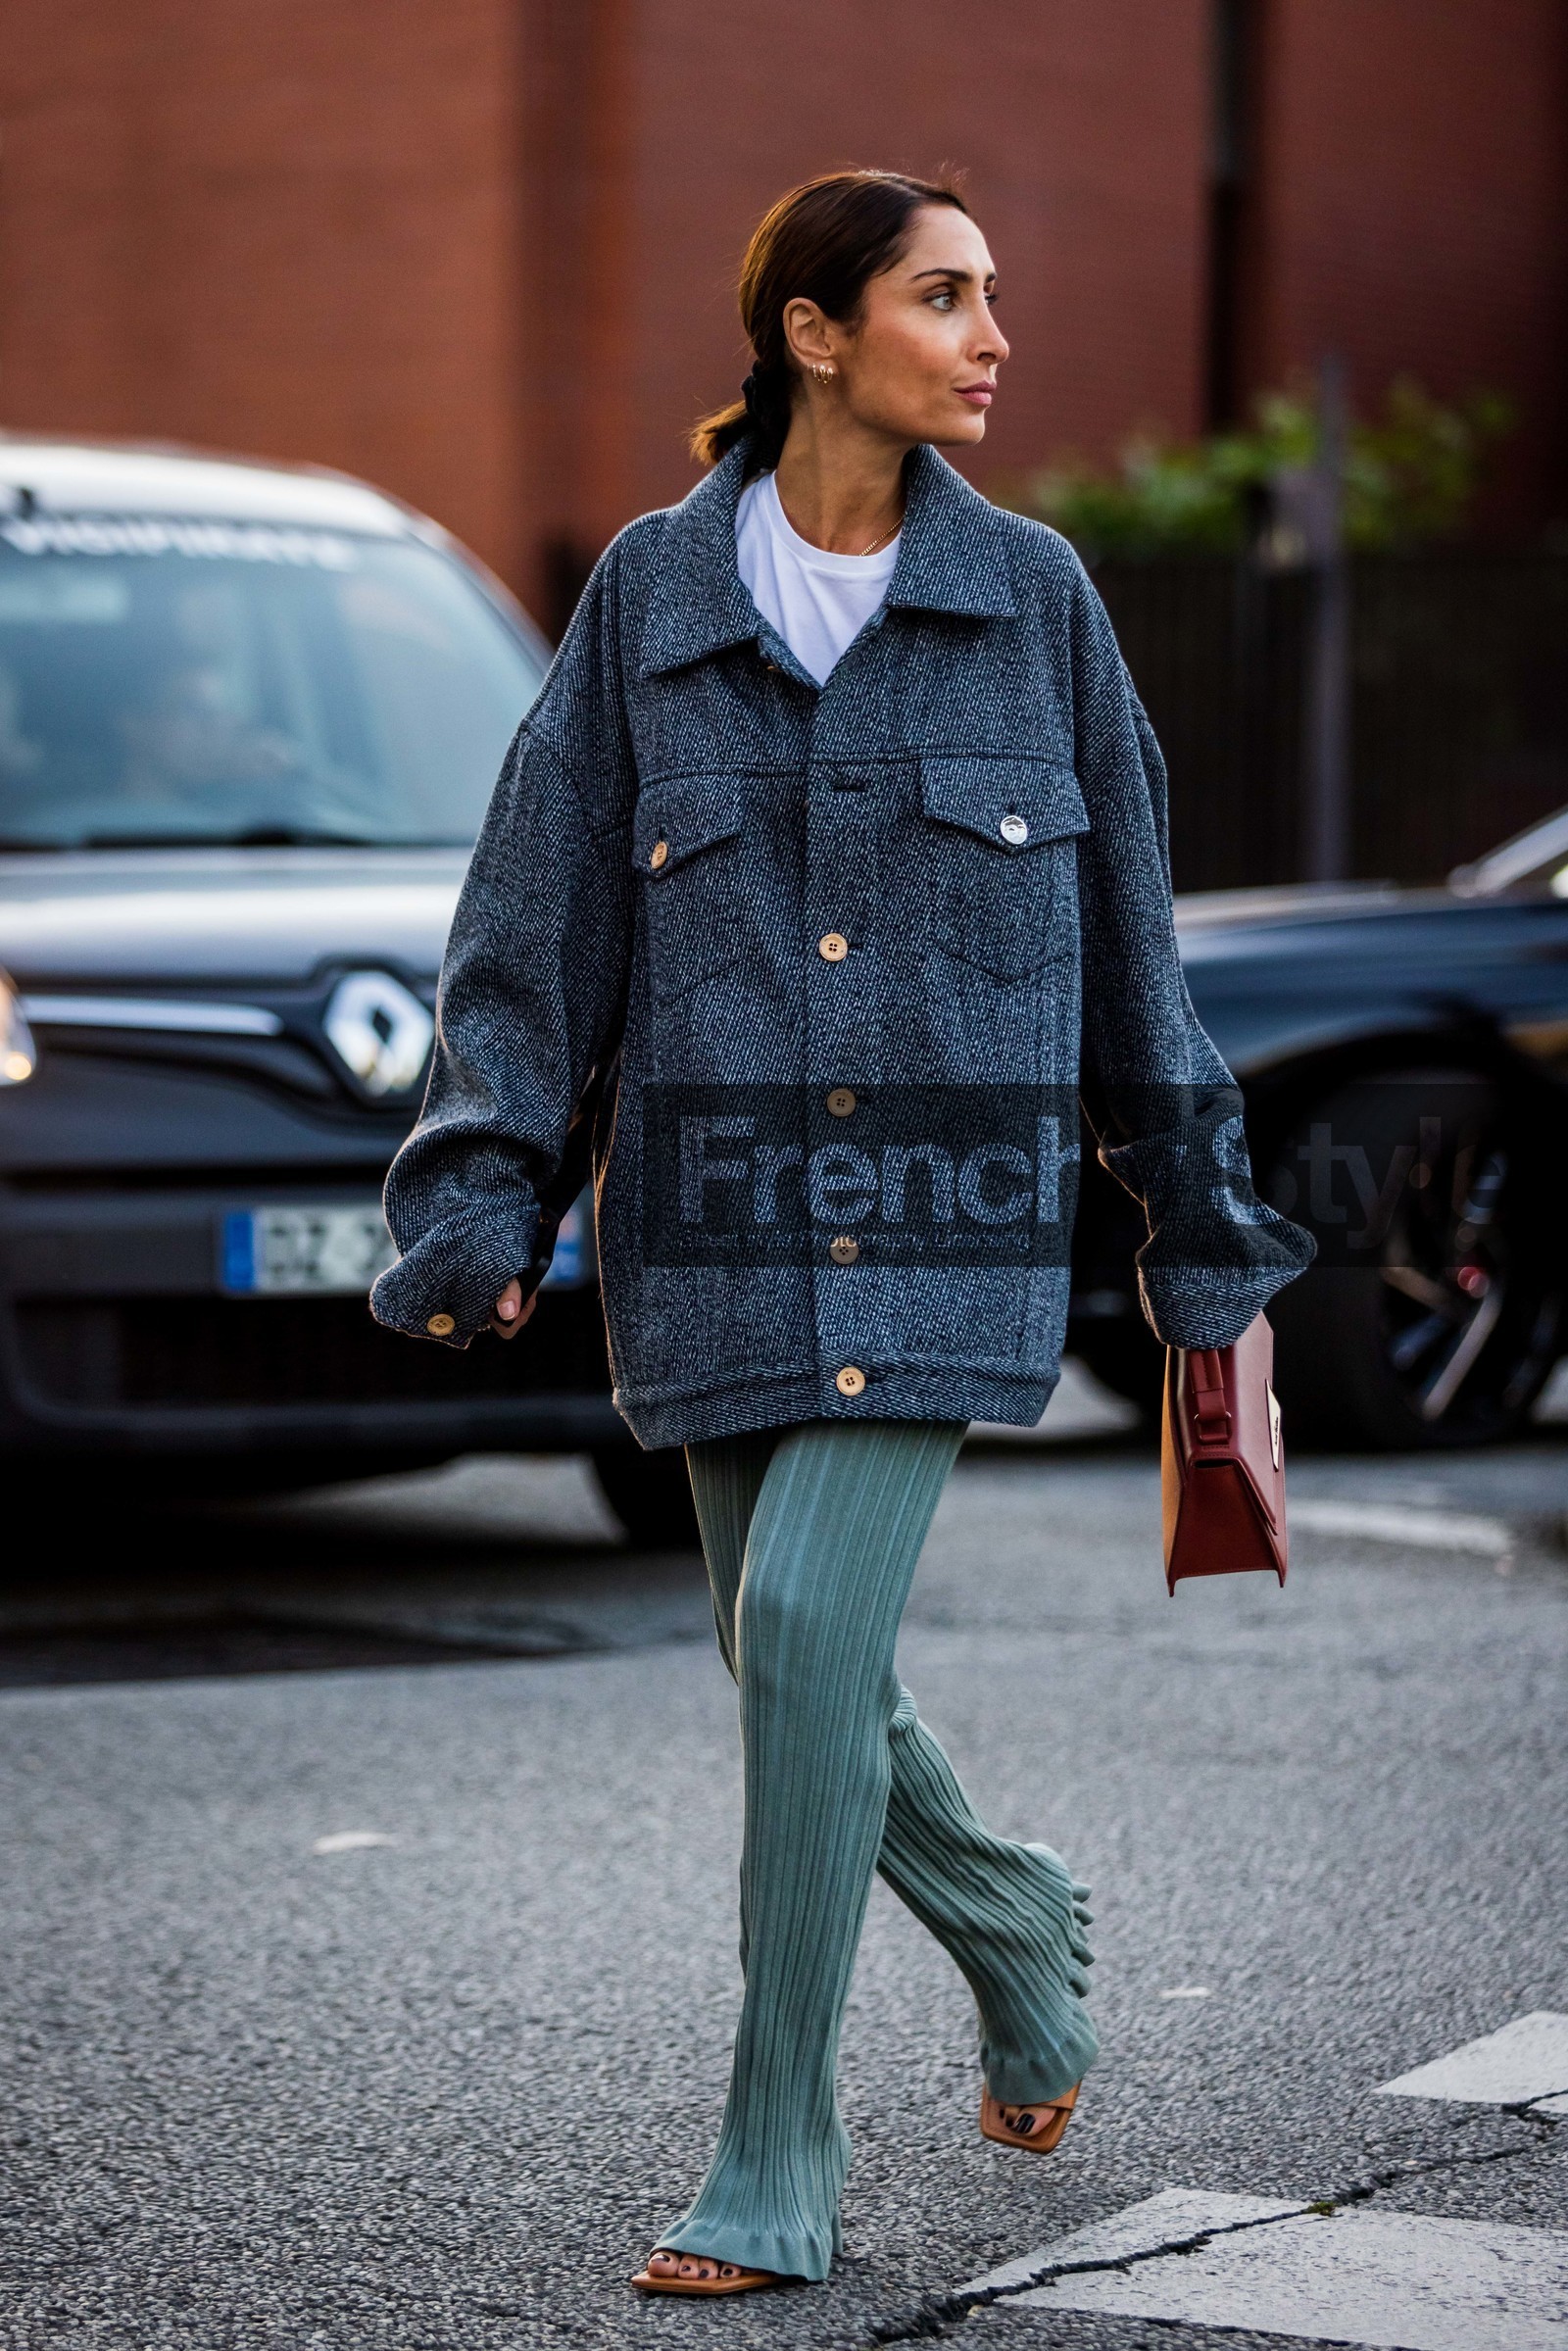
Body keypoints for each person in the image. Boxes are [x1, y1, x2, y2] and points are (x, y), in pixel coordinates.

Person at [370, 168, 1314, 2296]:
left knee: (800, 1637)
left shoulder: (1038, 602)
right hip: (707, 1223)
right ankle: (1012, 1926)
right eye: (941, 296)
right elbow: (529, 929)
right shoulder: (646, 596)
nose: (991, 336)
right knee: (776, 1647)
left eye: (995, 293)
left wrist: (1200, 1236)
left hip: (947, 1217)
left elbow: (1126, 948)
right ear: (812, 331)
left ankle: (773, 2147)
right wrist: (482, 1188)